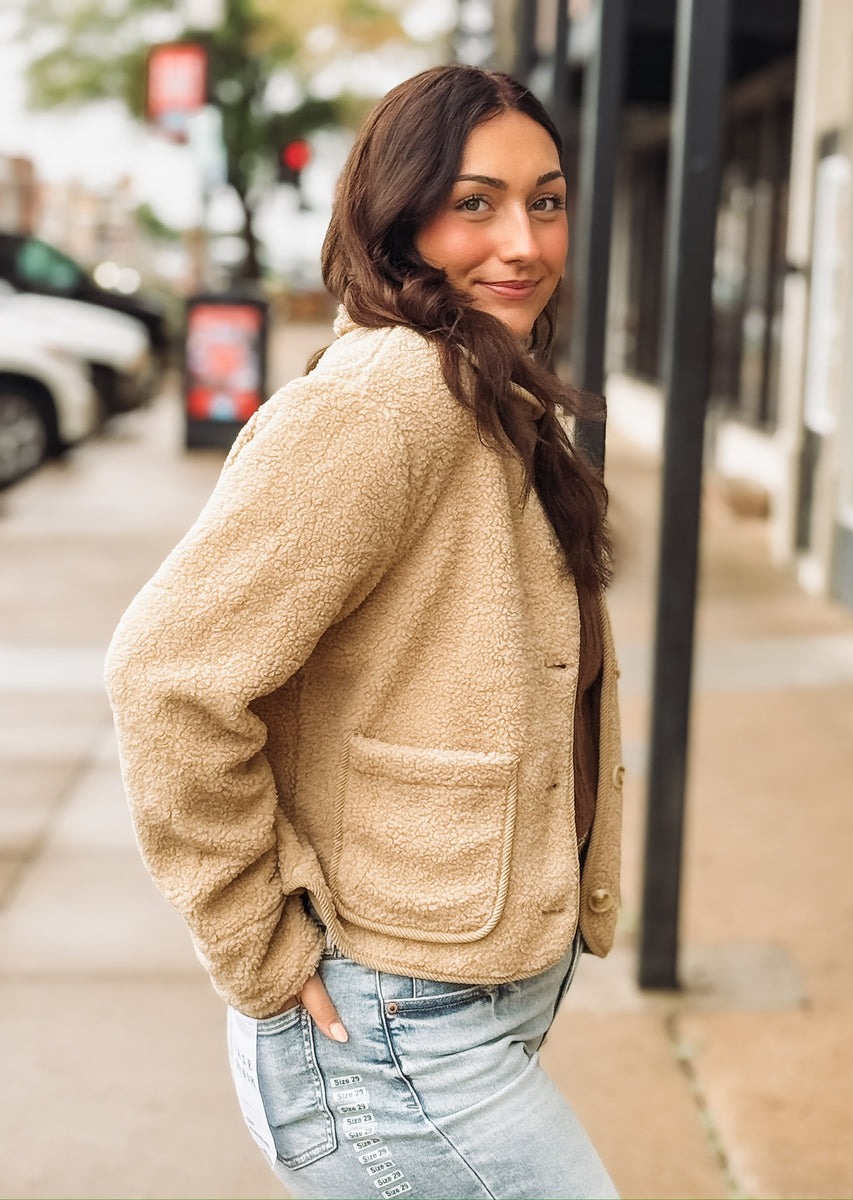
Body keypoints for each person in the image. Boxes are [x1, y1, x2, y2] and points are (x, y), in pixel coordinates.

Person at [105, 63, 624, 1200]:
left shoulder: (490, 391)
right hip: (384, 1033)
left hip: (450, 1006)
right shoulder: (388, 400)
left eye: (546, 200)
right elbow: (167, 676)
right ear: (395, 217)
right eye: (473, 203)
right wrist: (258, 941)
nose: (524, 242)